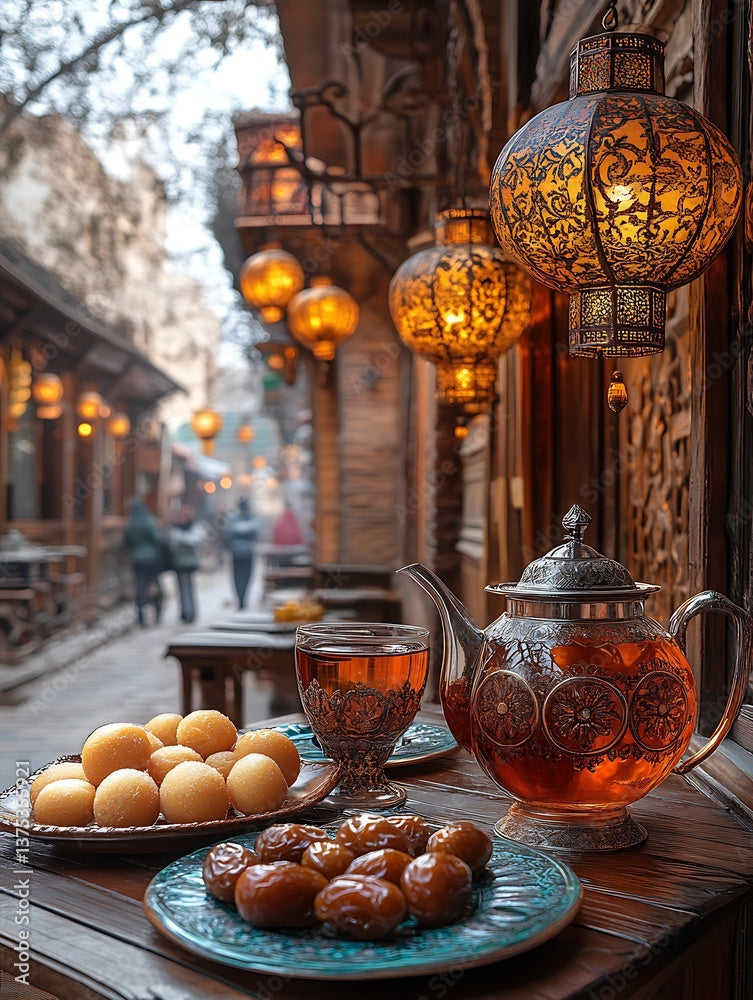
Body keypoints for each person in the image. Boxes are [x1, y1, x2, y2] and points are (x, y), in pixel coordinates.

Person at [123, 497, 164, 627]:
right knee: (154, 585)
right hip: (151, 557)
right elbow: (156, 538)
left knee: (140, 586)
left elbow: (127, 541)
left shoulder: (130, 523)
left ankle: (141, 616)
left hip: (136, 558)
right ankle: (157, 611)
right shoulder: (148, 521)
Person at [168, 506, 204, 624]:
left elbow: (193, 540)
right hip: (180, 563)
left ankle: (189, 613)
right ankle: (186, 612)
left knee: (187, 587)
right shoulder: (176, 529)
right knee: (183, 588)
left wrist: (182, 539)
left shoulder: (192, 528)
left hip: (187, 563)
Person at [224, 496, 259, 610]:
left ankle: (242, 598)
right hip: (241, 552)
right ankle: (241, 598)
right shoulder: (236, 518)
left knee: (242, 576)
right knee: (241, 576)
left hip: (243, 552)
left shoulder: (239, 519)